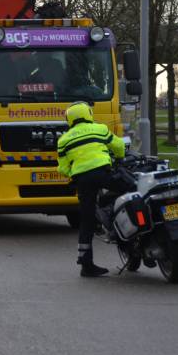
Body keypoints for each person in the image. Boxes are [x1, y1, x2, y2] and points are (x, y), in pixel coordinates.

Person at [57, 101, 126, 277]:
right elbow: (119, 146)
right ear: (89, 113)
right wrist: (120, 159)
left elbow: (62, 168)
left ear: (69, 119)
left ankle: (86, 265)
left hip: (83, 180)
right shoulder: (99, 129)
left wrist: (74, 174)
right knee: (131, 190)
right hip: (103, 173)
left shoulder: (63, 140)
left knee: (86, 221)